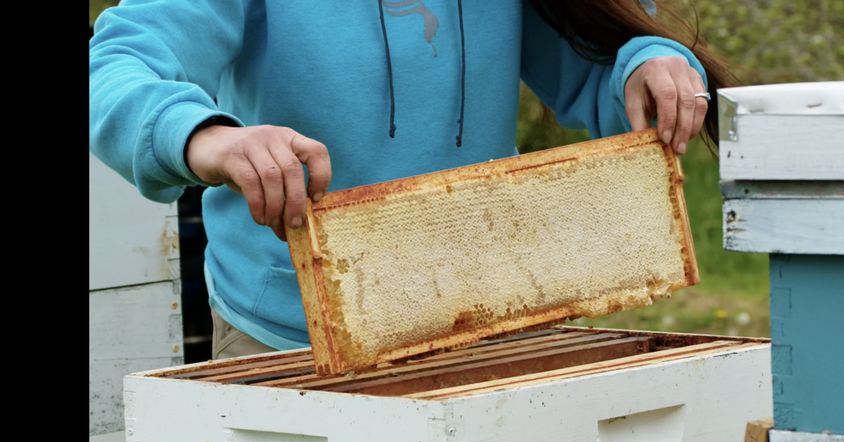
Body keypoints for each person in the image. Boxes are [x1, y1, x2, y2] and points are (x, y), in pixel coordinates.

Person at [90, 0, 736, 359]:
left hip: (484, 314)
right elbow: (114, 63)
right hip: (291, 332)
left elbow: (595, 61)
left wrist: (648, 62)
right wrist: (210, 137)